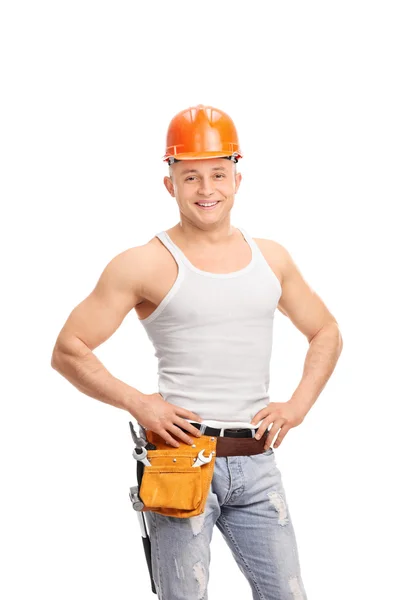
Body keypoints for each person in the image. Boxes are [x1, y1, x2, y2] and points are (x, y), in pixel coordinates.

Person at [51, 104, 343, 599]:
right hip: (180, 461)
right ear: (170, 184)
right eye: (191, 177)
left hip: (256, 462)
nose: (206, 190)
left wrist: (298, 406)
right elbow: (68, 350)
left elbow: (326, 331)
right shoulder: (144, 263)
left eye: (217, 174)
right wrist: (140, 403)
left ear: (237, 178)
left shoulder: (271, 258)